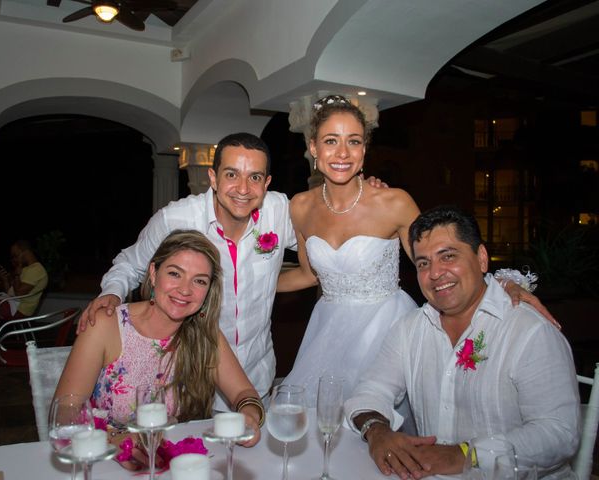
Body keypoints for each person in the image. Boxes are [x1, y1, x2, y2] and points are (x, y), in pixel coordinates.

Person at [279, 95, 556, 408]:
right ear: (314, 148)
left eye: (353, 141)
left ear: (365, 149)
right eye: (331, 141)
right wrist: (248, 283)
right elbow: (307, 274)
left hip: (386, 330)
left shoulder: (394, 202)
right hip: (327, 333)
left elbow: (440, 264)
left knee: (380, 419)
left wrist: (503, 283)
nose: (343, 153)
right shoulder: (300, 206)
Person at [345, 206, 580, 479]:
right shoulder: (410, 329)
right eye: (423, 263)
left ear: (481, 258)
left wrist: (467, 454)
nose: (435, 273)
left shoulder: (529, 331)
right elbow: (370, 390)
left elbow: (558, 433)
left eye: (448, 256)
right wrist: (376, 430)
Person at [79, 132, 296, 410]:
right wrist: (112, 293)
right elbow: (130, 264)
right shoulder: (176, 218)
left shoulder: (279, 212)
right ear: (213, 177)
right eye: (231, 174)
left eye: (254, 177)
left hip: (256, 379)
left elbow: (328, 229)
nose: (243, 188)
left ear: (266, 183)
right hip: (190, 385)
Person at [54, 230, 264, 471]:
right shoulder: (106, 324)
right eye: (175, 273)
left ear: (208, 291)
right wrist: (114, 442)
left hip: (170, 465)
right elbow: (65, 416)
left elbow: (245, 392)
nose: (185, 289)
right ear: (153, 274)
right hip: (100, 463)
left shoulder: (206, 336)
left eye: (199, 280)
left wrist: (250, 415)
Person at [0, 240, 48, 318]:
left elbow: (19, 294)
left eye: (15, 255)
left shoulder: (36, 270)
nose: (15, 259)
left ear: (25, 252)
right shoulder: (27, 269)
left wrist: (17, 275)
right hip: (13, 305)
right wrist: (5, 280)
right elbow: (11, 293)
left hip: (19, 310)